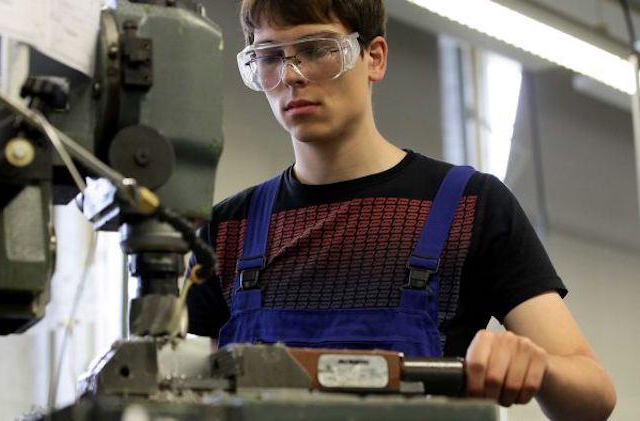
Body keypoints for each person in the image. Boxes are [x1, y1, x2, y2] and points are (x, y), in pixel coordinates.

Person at [186, 0, 616, 418]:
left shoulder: (470, 206)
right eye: (270, 56)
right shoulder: (227, 231)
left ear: (373, 58)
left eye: (317, 50)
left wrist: (536, 367)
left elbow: (593, 396)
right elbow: (182, 386)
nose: (291, 75)